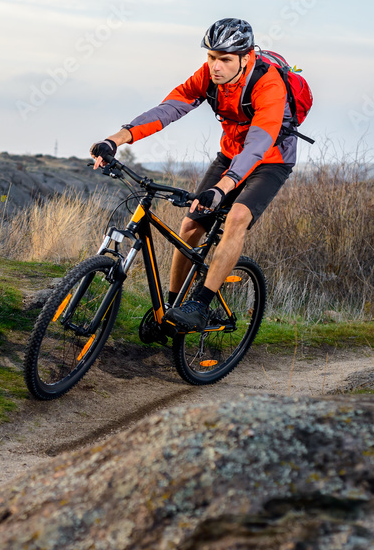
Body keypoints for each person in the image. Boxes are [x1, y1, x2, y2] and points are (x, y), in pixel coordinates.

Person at [89, 18, 295, 334]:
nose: (216, 66)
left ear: (246, 56)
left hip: (270, 159)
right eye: (211, 57)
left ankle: (200, 304)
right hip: (230, 154)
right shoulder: (208, 77)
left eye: (225, 59)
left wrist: (223, 188)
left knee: (237, 217)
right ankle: (172, 312)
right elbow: (168, 109)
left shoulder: (268, 84)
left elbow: (257, 145)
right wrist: (116, 139)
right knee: (190, 224)